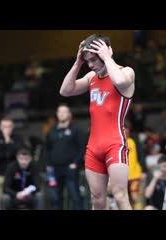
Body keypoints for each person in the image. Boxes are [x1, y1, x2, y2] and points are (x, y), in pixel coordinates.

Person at [60, 34, 135, 210]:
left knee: (120, 195)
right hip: (93, 147)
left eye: (94, 59)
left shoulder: (126, 72)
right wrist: (78, 62)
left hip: (115, 144)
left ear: (106, 52)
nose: (91, 65)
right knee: (97, 199)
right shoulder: (91, 78)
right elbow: (65, 90)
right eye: (88, 61)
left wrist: (108, 57)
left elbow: (119, 81)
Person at [45, 103, 86, 210]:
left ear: (69, 114)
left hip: (70, 168)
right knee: (55, 198)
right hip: (55, 169)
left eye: (64, 111)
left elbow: (82, 148)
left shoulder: (76, 130)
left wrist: (75, 163)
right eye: (59, 111)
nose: (61, 114)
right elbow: (47, 149)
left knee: (75, 196)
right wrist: (49, 165)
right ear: (56, 114)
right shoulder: (51, 131)